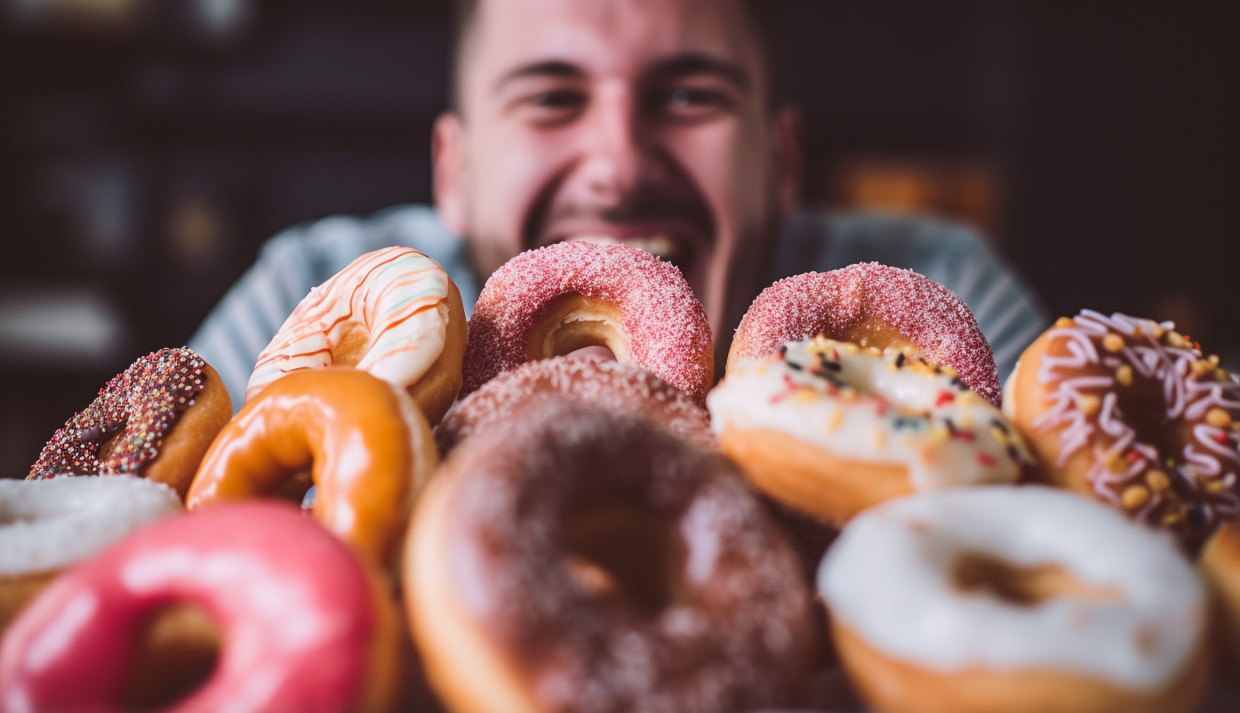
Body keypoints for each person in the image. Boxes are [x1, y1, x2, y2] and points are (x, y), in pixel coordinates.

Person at [190, 0, 1047, 410]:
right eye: (552, 99)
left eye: (688, 98)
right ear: (454, 171)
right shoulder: (309, 294)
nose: (621, 165)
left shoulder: (943, 292)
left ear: (783, 161)